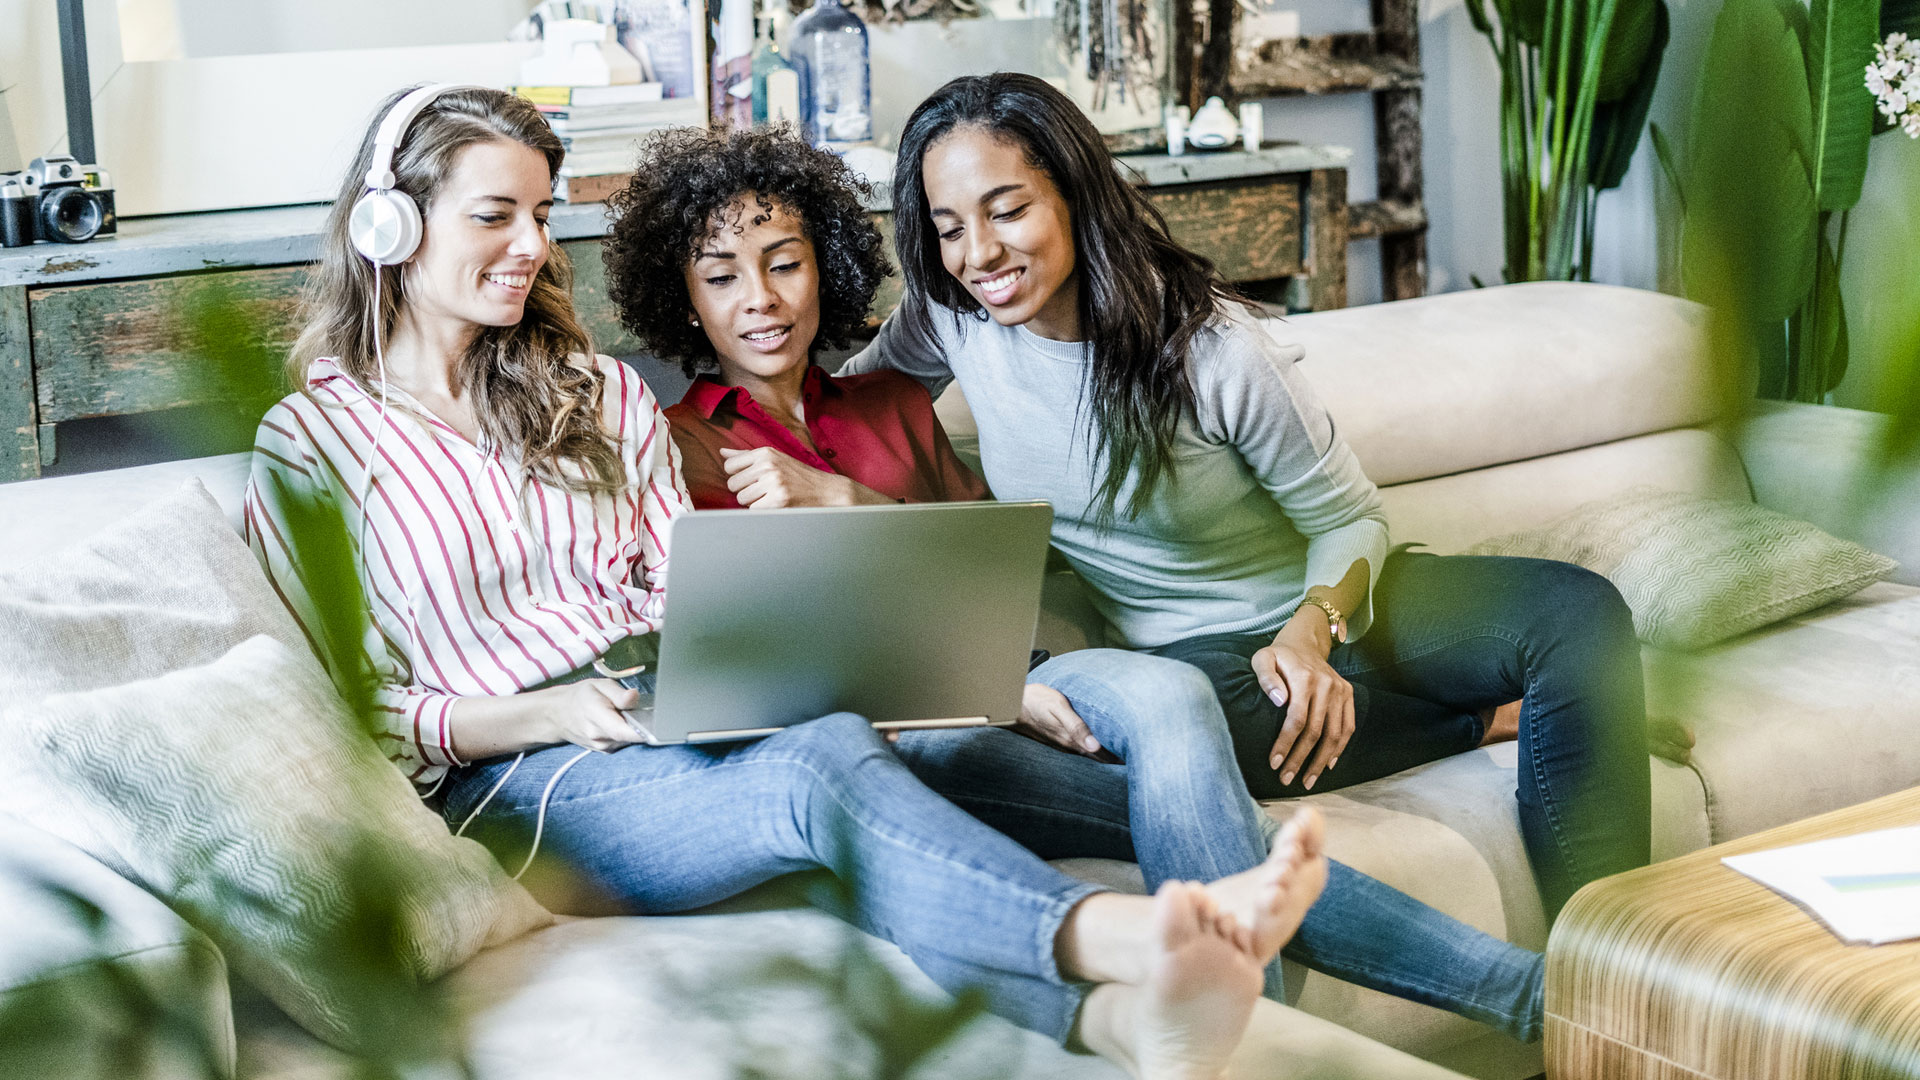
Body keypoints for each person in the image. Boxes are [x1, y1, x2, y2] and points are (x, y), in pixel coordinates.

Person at [240, 84, 1330, 1079]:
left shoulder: (595, 393)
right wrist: (534, 709)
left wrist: (838, 663)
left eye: (540, 213)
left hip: (677, 710)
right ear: (391, 223)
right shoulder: (314, 444)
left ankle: (1150, 1015)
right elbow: (347, 709)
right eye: (497, 215)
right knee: (823, 767)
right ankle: (1132, 938)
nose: (533, 246)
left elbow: (691, 586)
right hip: (525, 779)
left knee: (1037, 795)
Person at [602, 123, 1547, 1043]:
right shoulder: (676, 449)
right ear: (684, 302)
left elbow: (991, 565)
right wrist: (997, 690)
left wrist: (853, 503)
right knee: (1215, 834)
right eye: (721, 278)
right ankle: (1512, 1002)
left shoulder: (890, 398)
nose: (761, 299)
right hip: (905, 733)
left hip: (1028, 666)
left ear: (826, 269)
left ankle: (1275, 1038)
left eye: (784, 263)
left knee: (1175, 692)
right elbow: (760, 672)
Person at [843, 72, 1653, 919]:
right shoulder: (951, 320)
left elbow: (1347, 517)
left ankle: (1611, 964)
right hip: (1193, 666)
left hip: (1328, 613)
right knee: (1184, 728)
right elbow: (836, 411)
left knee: (1578, 613)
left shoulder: (1215, 349)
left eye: (1007, 210)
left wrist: (1309, 636)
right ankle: (1482, 717)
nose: (979, 254)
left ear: (1075, 196)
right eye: (948, 229)